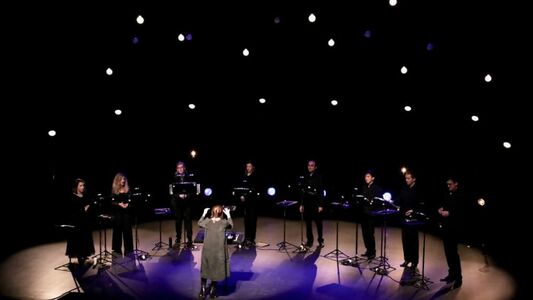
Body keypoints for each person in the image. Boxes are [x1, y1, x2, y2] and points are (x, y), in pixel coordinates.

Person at [198, 205, 233, 298]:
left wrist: (204, 213)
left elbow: (199, 222)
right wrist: (228, 214)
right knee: (216, 270)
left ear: (211, 213)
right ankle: (212, 290)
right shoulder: (224, 222)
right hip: (218, 251)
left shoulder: (207, 221)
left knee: (206, 268)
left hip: (208, 250)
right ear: (222, 213)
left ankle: (203, 290)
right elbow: (231, 225)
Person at [438, 177, 464, 288]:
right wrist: (441, 209)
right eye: (447, 184)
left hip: (454, 228)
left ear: (456, 183)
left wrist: (450, 213)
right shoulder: (448, 194)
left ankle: (458, 278)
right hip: (446, 227)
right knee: (448, 252)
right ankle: (452, 274)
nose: (448, 186)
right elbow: (446, 206)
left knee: (453, 253)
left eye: (450, 184)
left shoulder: (460, 196)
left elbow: (461, 212)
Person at [397, 171, 424, 269]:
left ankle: (414, 261)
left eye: (408, 178)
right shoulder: (405, 189)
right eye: (406, 178)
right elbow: (400, 200)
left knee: (413, 241)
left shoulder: (418, 190)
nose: (406, 180)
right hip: (404, 218)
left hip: (414, 219)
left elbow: (422, 204)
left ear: (414, 179)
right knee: (405, 240)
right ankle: (407, 259)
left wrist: (413, 211)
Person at [65, 178, 95, 265]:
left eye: (83, 185)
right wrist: (83, 210)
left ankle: (85, 255)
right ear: (77, 187)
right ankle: (80, 257)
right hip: (77, 223)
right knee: (78, 240)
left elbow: (90, 207)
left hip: (85, 222)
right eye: (80, 185)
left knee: (86, 239)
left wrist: (89, 208)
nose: (82, 187)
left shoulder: (85, 196)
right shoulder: (73, 197)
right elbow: (72, 212)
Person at [170, 161, 197, 249]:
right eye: (178, 168)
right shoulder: (173, 178)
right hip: (177, 202)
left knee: (188, 221)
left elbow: (193, 189)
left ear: (184, 168)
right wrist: (179, 195)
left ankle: (189, 240)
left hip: (187, 202)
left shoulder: (189, 177)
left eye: (181, 167)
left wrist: (187, 195)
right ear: (176, 169)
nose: (180, 169)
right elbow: (171, 191)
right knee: (178, 221)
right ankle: (178, 239)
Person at [299, 160, 325, 249]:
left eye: (312, 165)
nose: (310, 167)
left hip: (316, 202)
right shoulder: (305, 176)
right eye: (309, 165)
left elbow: (321, 192)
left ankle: (321, 240)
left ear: (315, 167)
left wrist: (321, 205)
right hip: (307, 203)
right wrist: (301, 204)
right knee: (308, 223)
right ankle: (309, 241)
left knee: (318, 223)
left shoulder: (319, 177)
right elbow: (303, 192)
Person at [359, 170, 383, 259]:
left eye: (368, 176)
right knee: (364, 233)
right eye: (365, 176)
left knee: (370, 233)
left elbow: (378, 201)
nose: (366, 178)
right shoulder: (364, 187)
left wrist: (372, 203)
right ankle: (368, 250)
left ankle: (372, 251)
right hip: (363, 214)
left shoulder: (377, 188)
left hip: (371, 214)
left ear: (373, 178)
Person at [111, 172, 134, 256]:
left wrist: (128, 204)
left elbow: (132, 201)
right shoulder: (114, 191)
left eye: (124, 179)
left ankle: (128, 250)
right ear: (117, 180)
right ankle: (117, 250)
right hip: (118, 215)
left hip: (126, 214)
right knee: (117, 232)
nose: (123, 180)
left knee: (127, 232)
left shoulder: (128, 190)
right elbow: (112, 202)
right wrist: (118, 204)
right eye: (121, 179)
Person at [237, 161, 258, 248]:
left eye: (249, 166)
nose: (248, 168)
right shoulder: (244, 176)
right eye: (247, 166)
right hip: (245, 203)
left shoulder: (255, 177)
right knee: (246, 221)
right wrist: (241, 195)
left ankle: (252, 239)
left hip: (252, 202)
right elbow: (241, 187)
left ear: (252, 167)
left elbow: (254, 189)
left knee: (252, 221)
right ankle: (247, 238)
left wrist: (246, 196)